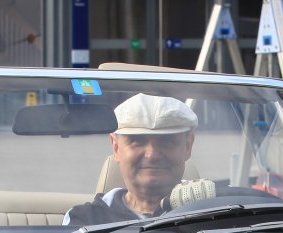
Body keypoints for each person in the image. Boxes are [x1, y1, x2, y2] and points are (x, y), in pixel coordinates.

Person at [65, 93, 199, 225]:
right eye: (137, 141)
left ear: (188, 146)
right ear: (116, 147)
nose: (152, 154)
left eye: (167, 141)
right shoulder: (83, 220)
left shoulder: (207, 214)